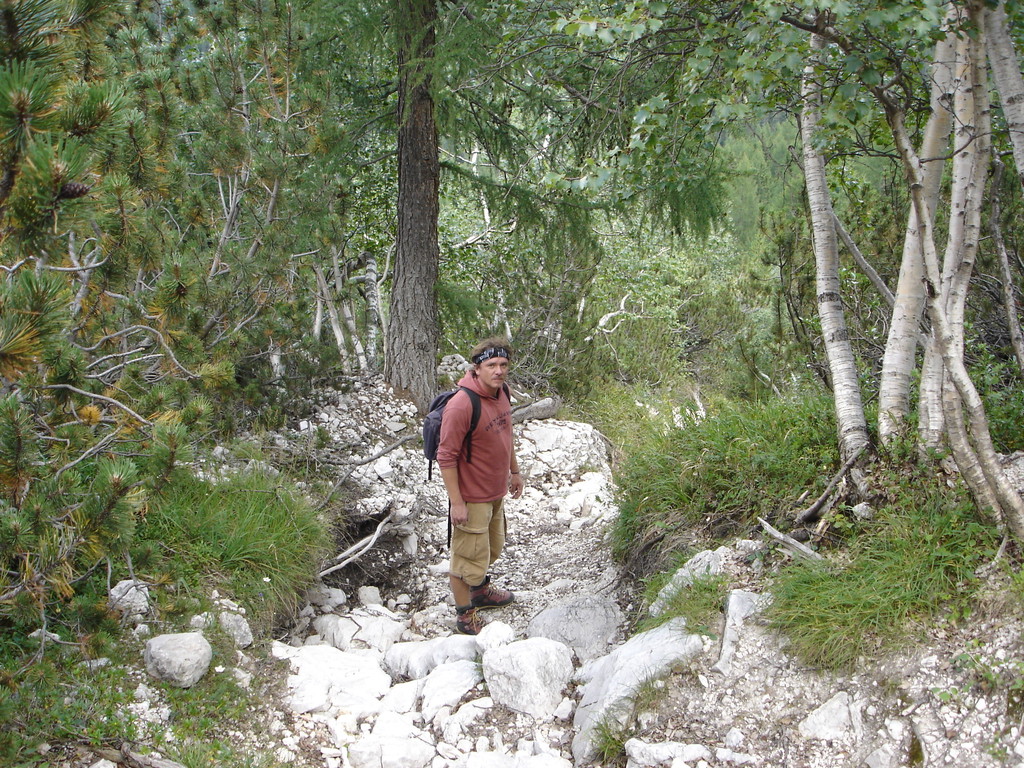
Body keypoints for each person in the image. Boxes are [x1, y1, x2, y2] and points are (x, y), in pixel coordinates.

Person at [436, 337, 524, 635]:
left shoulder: (503, 392)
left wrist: (514, 471)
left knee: (491, 547)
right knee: (466, 559)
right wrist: (457, 502)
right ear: (477, 368)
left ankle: (481, 591)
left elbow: (506, 435)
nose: (499, 371)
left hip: (495, 491)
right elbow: (446, 456)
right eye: (491, 365)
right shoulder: (462, 405)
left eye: (503, 365)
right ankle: (465, 615)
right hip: (472, 496)